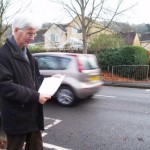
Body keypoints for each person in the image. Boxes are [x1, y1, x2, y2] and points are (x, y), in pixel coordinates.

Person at [0, 14, 51, 150]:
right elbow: (5, 86)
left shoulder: (28, 55)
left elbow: (34, 80)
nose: (33, 37)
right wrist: (36, 96)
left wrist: (52, 80)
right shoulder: (3, 55)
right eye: (29, 33)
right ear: (16, 30)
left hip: (32, 115)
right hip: (16, 118)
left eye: (34, 34)